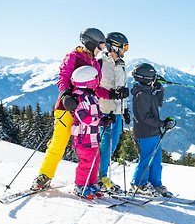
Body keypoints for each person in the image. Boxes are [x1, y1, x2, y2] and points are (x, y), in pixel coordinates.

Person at [30, 28, 129, 190]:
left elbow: (96, 88)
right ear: (91, 43)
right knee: (59, 142)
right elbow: (63, 78)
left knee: (88, 148)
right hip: (67, 107)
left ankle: (88, 180)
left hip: (86, 110)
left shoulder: (95, 63)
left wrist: (113, 94)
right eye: (100, 45)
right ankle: (44, 175)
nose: (102, 49)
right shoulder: (73, 57)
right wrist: (65, 95)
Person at [130, 63, 176, 197]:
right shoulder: (140, 95)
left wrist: (159, 88)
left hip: (154, 132)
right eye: (153, 77)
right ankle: (138, 184)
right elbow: (145, 117)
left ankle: (155, 183)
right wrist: (162, 123)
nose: (155, 79)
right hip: (145, 133)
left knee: (156, 160)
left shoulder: (147, 92)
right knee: (146, 160)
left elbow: (158, 103)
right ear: (147, 78)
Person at [70, 66, 115, 197]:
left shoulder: (90, 95)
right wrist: (101, 122)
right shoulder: (79, 97)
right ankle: (80, 185)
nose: (98, 80)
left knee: (95, 160)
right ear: (88, 80)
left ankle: (91, 183)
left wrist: (105, 118)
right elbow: (84, 118)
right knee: (87, 161)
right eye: (96, 78)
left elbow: (95, 113)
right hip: (83, 136)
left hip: (93, 136)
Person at [97, 32, 130, 191]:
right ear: (115, 46)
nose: (125, 51)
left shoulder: (120, 63)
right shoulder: (101, 62)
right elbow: (96, 88)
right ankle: (99, 177)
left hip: (117, 111)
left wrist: (125, 109)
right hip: (105, 111)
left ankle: (102, 175)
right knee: (105, 145)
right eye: (124, 47)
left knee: (112, 144)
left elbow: (121, 86)